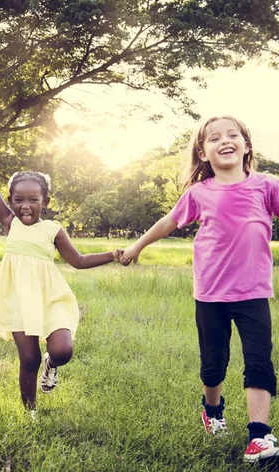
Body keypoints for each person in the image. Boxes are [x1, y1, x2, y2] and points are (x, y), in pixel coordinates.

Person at [120, 115, 279, 463]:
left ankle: (259, 435)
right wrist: (136, 247)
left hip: (253, 291)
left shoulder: (266, 186)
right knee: (213, 363)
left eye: (233, 134)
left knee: (259, 360)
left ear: (246, 145)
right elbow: (169, 221)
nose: (225, 140)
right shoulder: (199, 193)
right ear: (203, 153)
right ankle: (213, 409)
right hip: (211, 293)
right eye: (214, 138)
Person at [0, 158, 123, 416]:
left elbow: (78, 261)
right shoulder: (11, 224)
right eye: (18, 199)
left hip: (50, 298)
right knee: (29, 358)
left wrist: (112, 254)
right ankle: (30, 413)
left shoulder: (54, 230)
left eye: (33, 199)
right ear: (10, 200)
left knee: (62, 350)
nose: (25, 206)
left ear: (46, 202)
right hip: (17, 299)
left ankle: (51, 364)